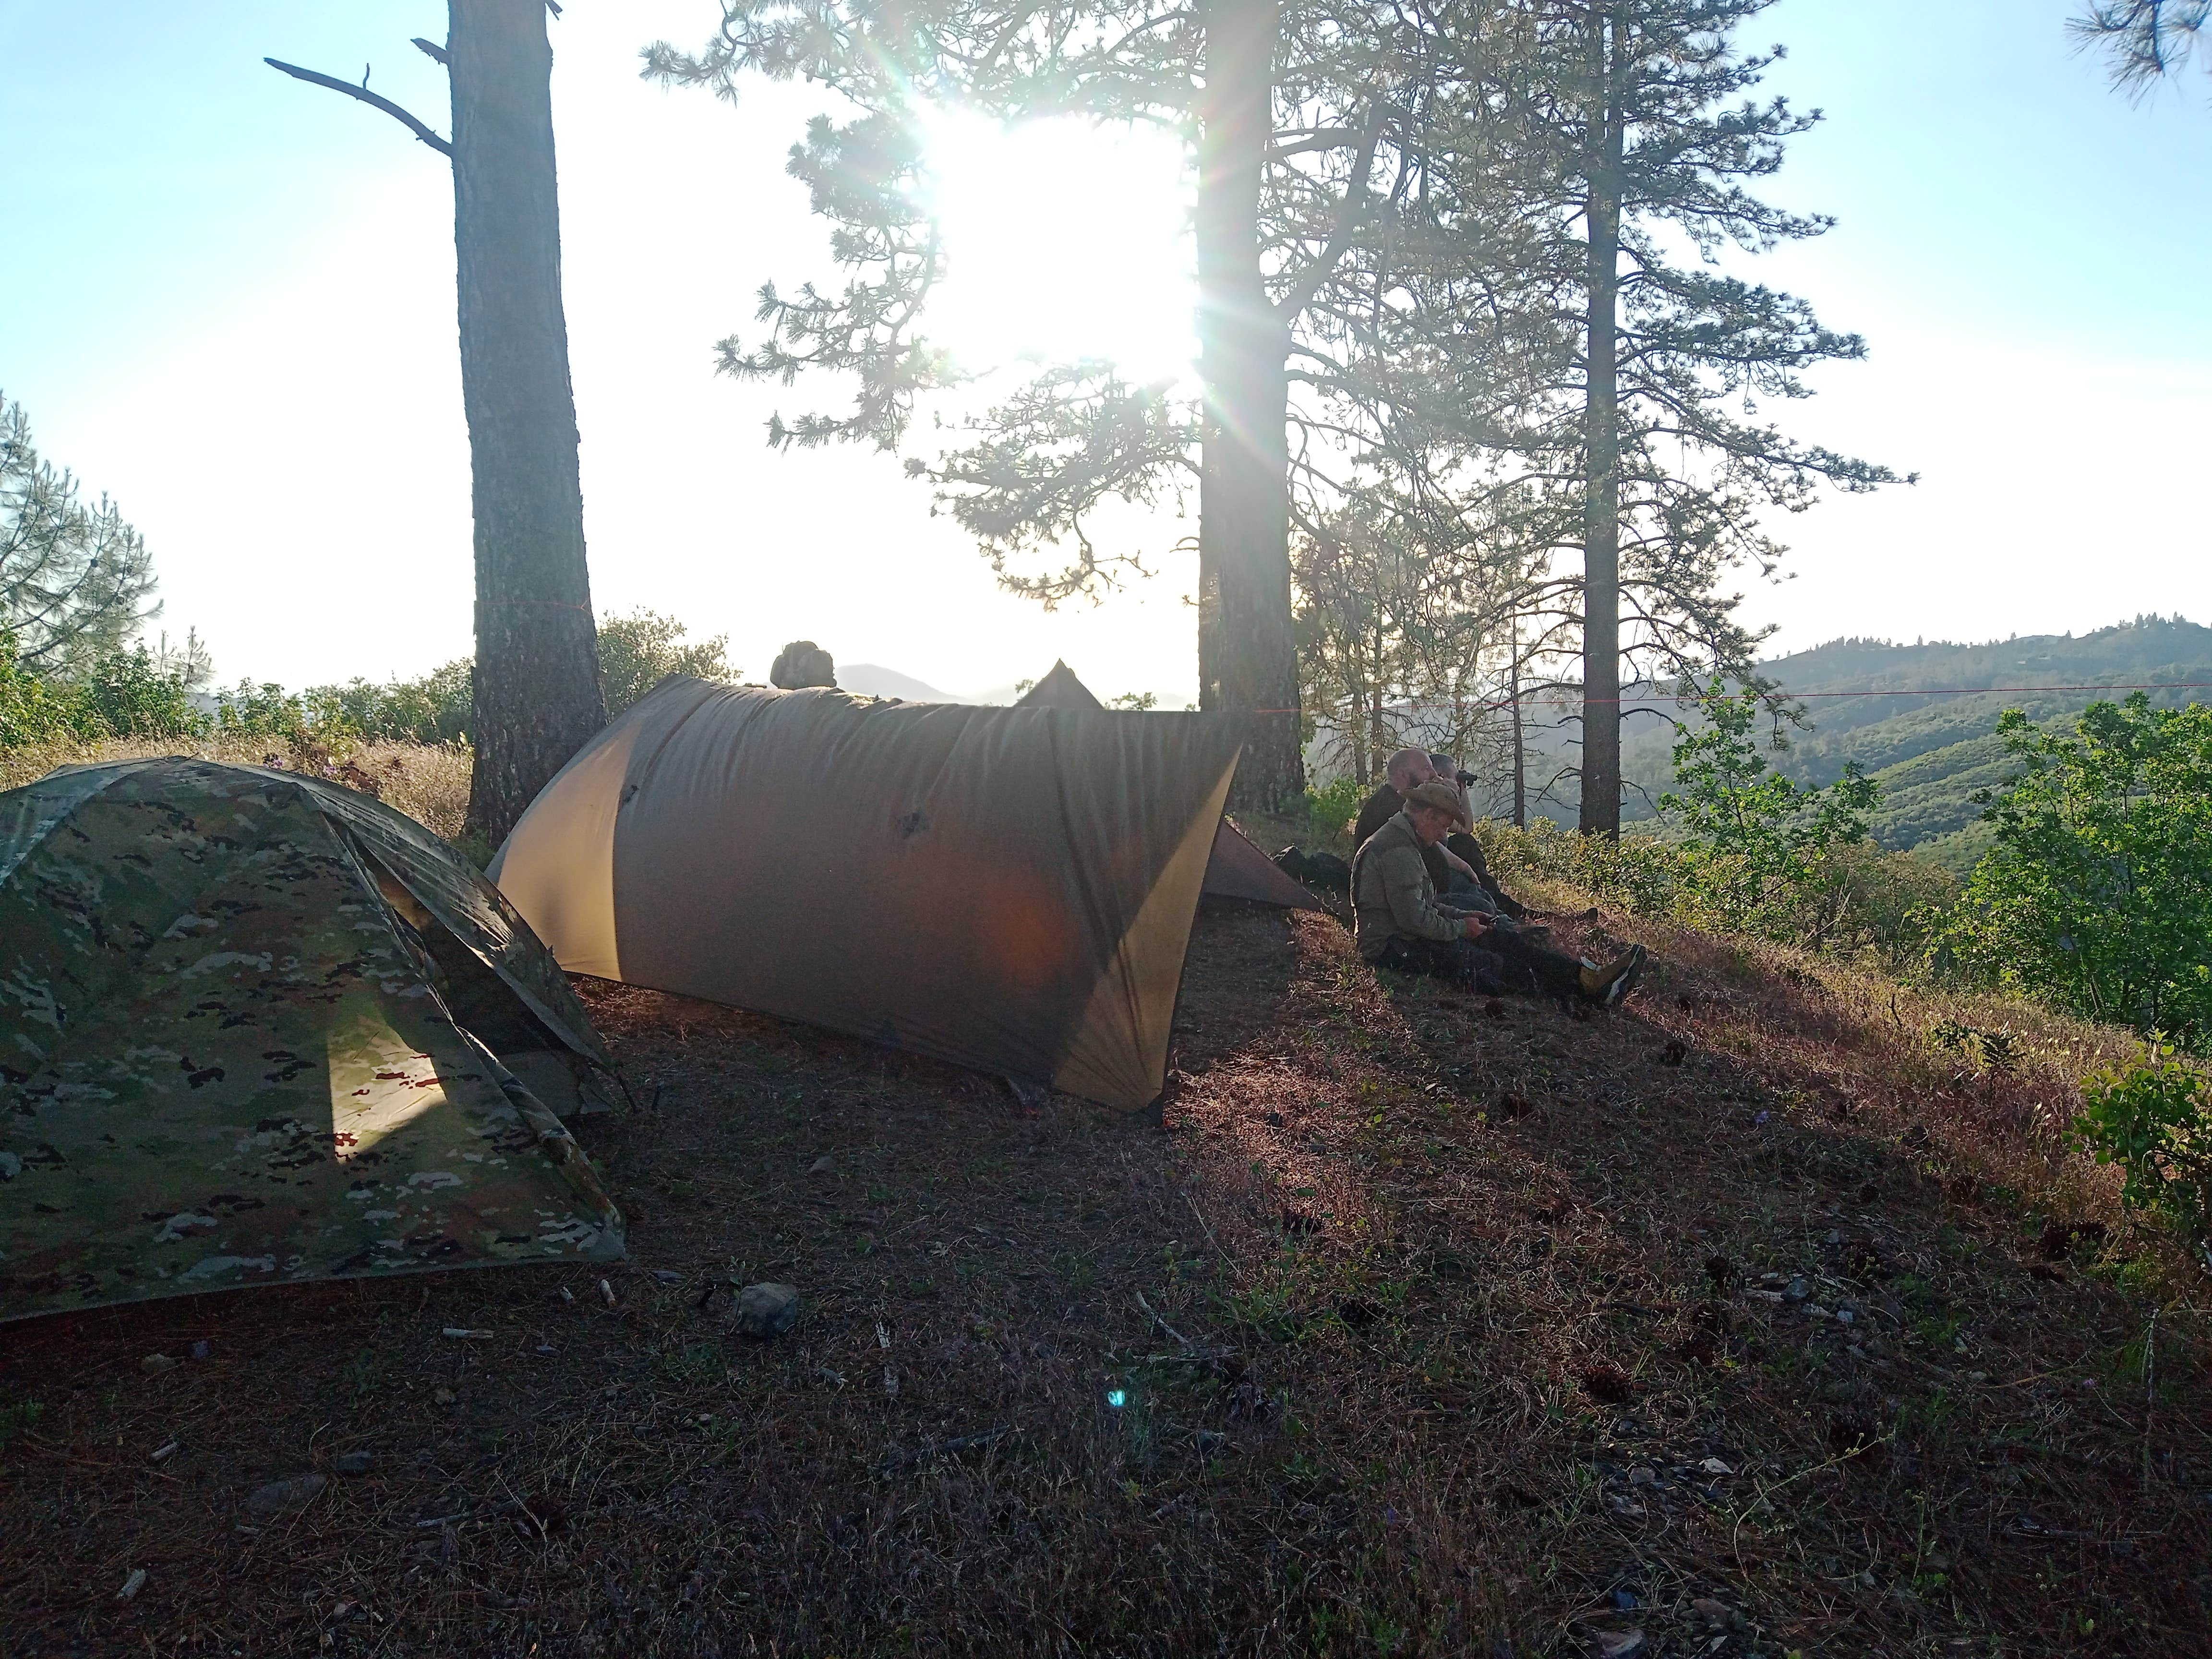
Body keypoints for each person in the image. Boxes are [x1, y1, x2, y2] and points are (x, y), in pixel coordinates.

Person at [1351, 780, 1643, 1003]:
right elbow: (1413, 921)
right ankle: (1581, 991)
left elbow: (1424, 906)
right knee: (1488, 966)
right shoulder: (1398, 850)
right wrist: (1460, 929)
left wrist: (1466, 917)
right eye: (1441, 827)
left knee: (1499, 939)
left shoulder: (1405, 842)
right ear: (1426, 815)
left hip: (1404, 937)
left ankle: (1587, 977)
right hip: (1391, 948)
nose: (1443, 836)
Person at [1351, 748, 1532, 921]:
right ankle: (1501, 915)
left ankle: (1502, 908)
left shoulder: (1402, 800)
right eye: (1426, 769)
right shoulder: (1392, 806)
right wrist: (1465, 868)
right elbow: (1432, 847)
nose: (1433, 775)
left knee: (1464, 843)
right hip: (1412, 888)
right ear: (1403, 774)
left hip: (1424, 878)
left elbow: (1464, 828)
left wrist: (1460, 788)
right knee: (1478, 903)